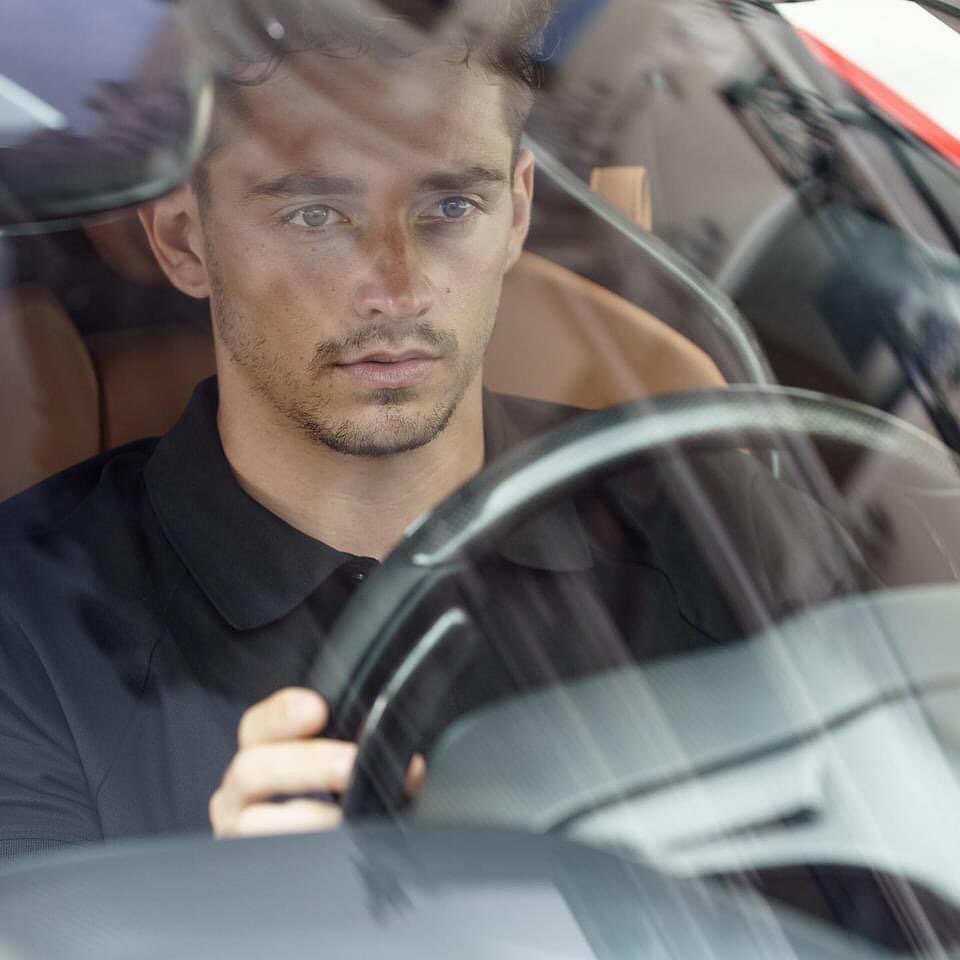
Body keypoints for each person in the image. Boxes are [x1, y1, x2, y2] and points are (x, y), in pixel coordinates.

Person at [0, 0, 874, 859]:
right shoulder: (32, 629)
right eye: (316, 215)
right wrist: (232, 920)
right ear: (186, 240)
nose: (397, 285)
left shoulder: (724, 531)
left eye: (450, 207)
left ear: (517, 212)